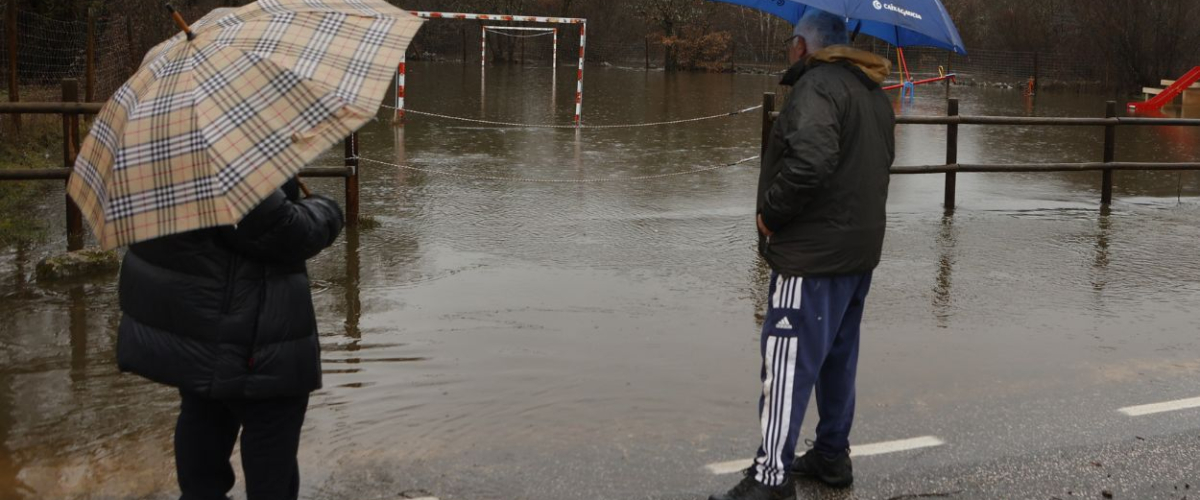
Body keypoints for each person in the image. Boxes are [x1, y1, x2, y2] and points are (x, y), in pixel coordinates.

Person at [711, 9, 895, 500]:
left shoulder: (816, 89)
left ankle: (772, 477)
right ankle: (832, 455)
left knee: (787, 360)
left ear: (803, 45)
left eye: (794, 40)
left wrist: (770, 215)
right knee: (839, 358)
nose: (791, 49)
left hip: (811, 256)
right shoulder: (873, 94)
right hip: (858, 253)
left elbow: (811, 161)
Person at [116, 178, 344, 500]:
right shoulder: (231, 164)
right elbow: (284, 232)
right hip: (252, 334)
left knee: (203, 427)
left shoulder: (162, 158)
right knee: (270, 451)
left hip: (199, 329)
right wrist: (326, 210)